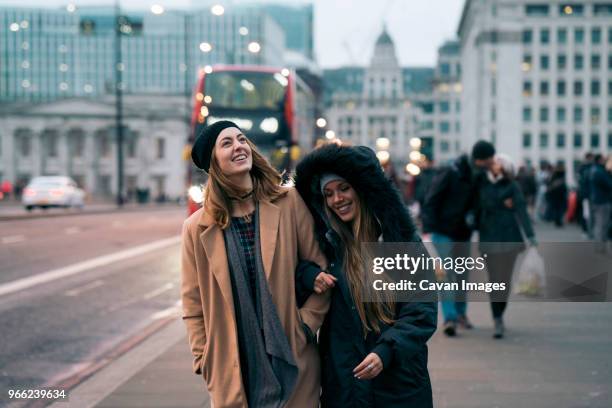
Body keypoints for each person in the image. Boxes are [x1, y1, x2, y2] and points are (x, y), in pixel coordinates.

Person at [181, 120, 331, 407]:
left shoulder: (288, 202)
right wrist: (204, 357)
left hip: (293, 356)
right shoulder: (196, 228)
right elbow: (192, 304)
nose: (239, 146)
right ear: (214, 163)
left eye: (241, 139)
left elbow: (319, 268)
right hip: (233, 366)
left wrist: (307, 325)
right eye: (227, 143)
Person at [295, 144, 437, 407]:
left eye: (344, 188)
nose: (337, 199)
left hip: (397, 383)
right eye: (328, 193)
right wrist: (309, 275)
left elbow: (421, 311)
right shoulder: (328, 245)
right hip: (344, 385)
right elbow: (295, 278)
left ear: (363, 189)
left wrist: (386, 351)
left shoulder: (400, 242)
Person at [477, 154, 536, 339]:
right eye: (494, 162)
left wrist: (531, 234)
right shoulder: (482, 184)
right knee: (494, 280)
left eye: (499, 162)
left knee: (505, 281)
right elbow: (480, 205)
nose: (495, 164)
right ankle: (497, 319)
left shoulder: (512, 186)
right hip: (489, 239)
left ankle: (500, 313)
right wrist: (501, 204)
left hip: (510, 238)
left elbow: (521, 210)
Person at [422, 154, 475, 336]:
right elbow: (431, 200)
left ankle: (460, 314)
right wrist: (428, 229)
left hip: (462, 234)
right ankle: (450, 317)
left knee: (461, 276)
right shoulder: (449, 174)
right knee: (444, 276)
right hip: (442, 232)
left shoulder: (475, 177)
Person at [589, 154, 612, 252]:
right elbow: (609, 184)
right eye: (604, 160)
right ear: (599, 160)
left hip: (596, 199)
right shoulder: (600, 172)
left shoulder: (593, 170)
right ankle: (600, 246)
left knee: (599, 223)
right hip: (602, 200)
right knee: (602, 224)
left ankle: (598, 245)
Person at [545, 163, 568, 227]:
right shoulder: (561, 175)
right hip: (560, 194)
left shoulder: (553, 175)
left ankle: (556, 220)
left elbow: (549, 183)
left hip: (554, 194)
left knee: (556, 208)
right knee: (560, 208)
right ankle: (558, 221)